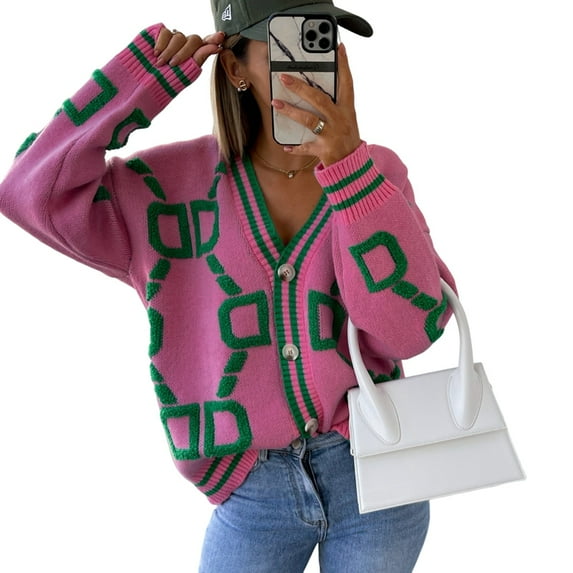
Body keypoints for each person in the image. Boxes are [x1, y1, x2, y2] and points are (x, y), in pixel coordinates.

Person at [0, 0, 456, 571]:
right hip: (250, 489)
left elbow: (410, 332)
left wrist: (348, 168)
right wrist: (138, 82)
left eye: (320, 40)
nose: (308, 64)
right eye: (287, 43)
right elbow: (29, 193)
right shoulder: (166, 188)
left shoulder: (375, 174)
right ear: (236, 67)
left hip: (379, 473)